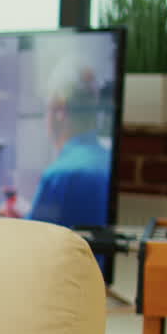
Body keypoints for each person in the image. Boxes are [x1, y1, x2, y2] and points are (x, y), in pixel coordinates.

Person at [26, 60, 111, 229]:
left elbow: (30, 244)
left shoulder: (59, 176)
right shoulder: (108, 161)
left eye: (47, 107)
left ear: (60, 110)